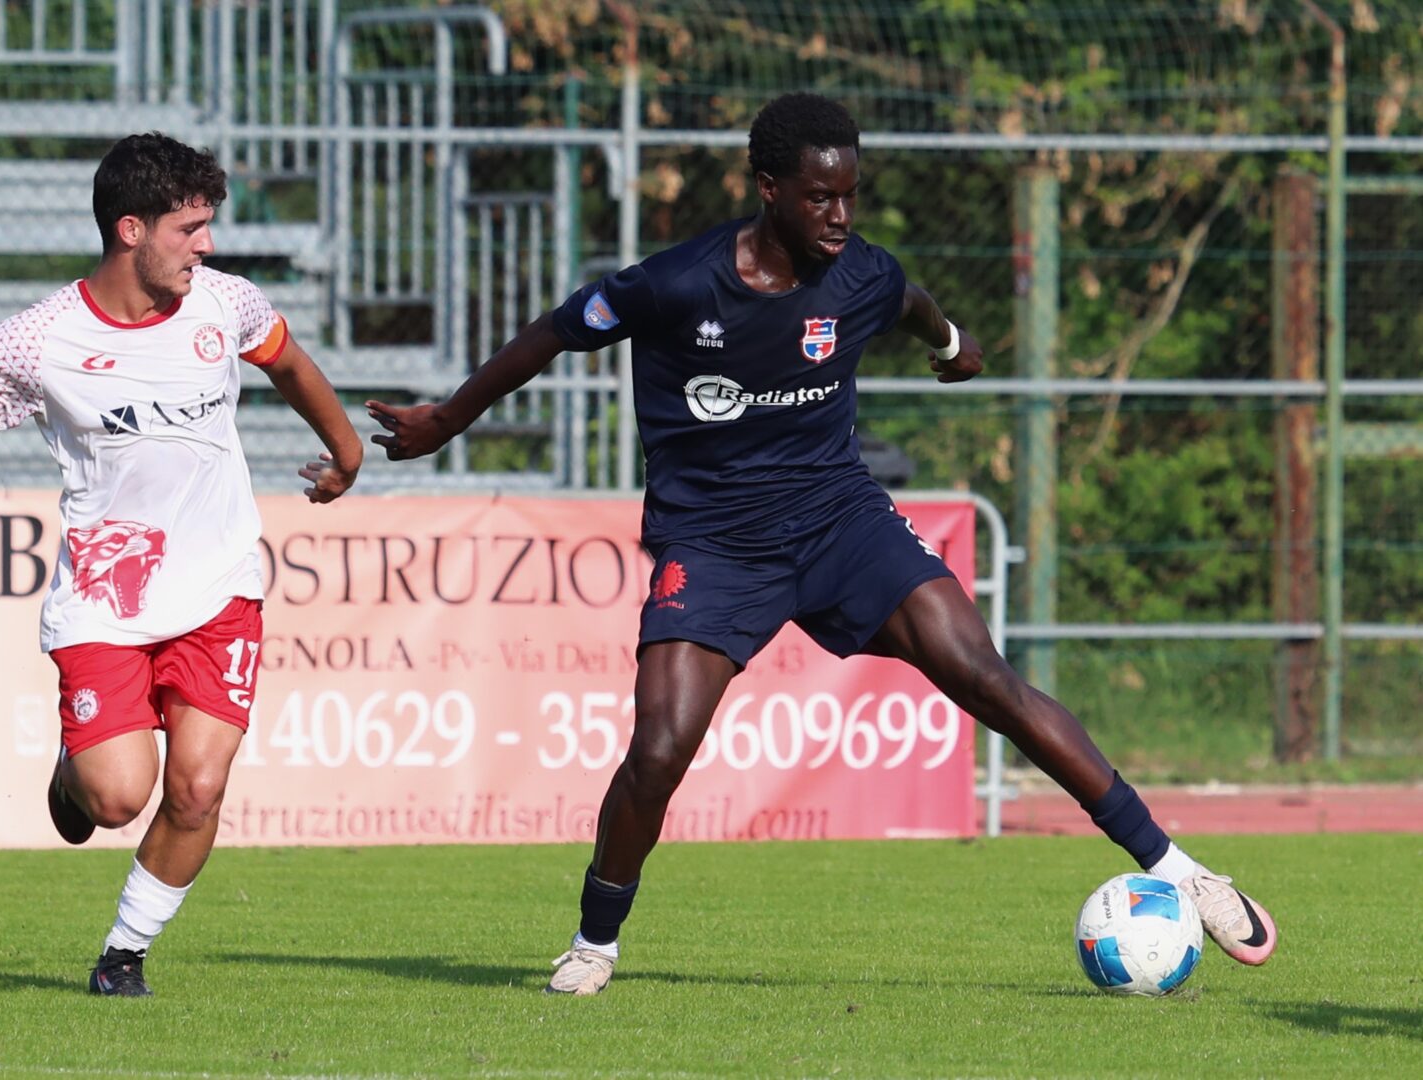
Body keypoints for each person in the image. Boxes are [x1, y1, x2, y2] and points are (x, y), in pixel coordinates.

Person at [366, 93, 1278, 996]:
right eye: (818, 197)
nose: (839, 216)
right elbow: (552, 334)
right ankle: (592, 942)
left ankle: (1183, 871)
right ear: (768, 189)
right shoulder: (677, 284)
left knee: (985, 678)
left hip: (840, 520)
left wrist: (950, 343)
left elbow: (909, 301)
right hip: (715, 543)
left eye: (849, 195)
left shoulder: (860, 275)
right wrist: (447, 418)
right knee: (660, 749)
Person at [0, 132, 363, 997]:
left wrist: (345, 453)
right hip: (106, 602)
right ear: (130, 230)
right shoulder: (40, 341)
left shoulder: (226, 303)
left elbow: (285, 360)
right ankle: (74, 778)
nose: (207, 244)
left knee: (197, 788)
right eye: (190, 228)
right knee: (115, 800)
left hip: (220, 588)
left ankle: (123, 956)